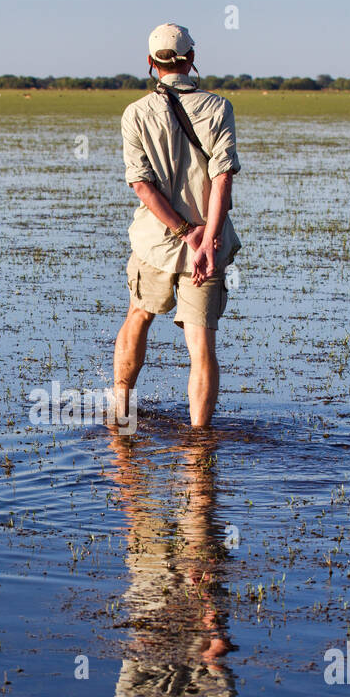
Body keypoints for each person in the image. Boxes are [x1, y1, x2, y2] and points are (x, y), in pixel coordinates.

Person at [113, 23, 241, 430]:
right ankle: (200, 438)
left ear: (151, 64)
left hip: (155, 241)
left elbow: (140, 184)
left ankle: (121, 413)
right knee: (201, 343)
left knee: (138, 315)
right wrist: (206, 237)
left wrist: (184, 232)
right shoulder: (219, 107)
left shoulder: (135, 113)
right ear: (191, 59)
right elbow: (223, 178)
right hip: (209, 240)